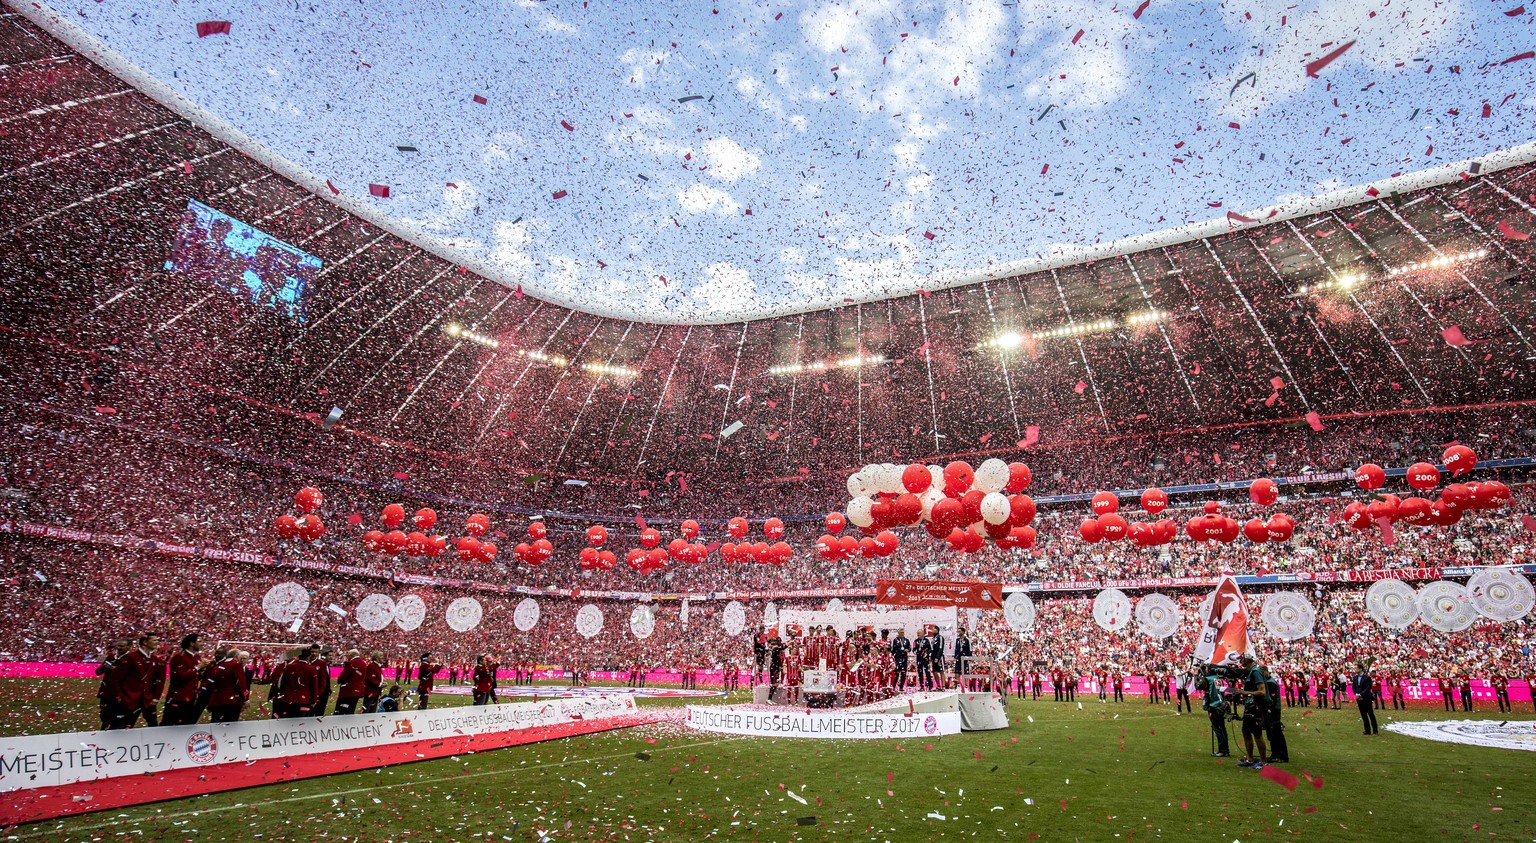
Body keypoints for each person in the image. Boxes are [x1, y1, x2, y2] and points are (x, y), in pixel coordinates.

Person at [105, 634, 159, 729]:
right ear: (145, 642)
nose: (157, 642)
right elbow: (115, 678)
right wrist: (119, 696)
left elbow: (156, 680)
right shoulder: (131, 657)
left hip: (146, 699)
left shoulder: (154, 659)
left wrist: (154, 696)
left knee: (153, 725)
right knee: (121, 726)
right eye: (154, 640)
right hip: (129, 699)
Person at [1235, 655, 1269, 769]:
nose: (1241, 661)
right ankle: (1250, 759)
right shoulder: (1251, 672)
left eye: (1243, 659)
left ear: (1248, 660)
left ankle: (1264, 762)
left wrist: (1244, 692)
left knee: (1257, 733)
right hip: (1250, 705)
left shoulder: (1255, 672)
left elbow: (1262, 691)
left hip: (1256, 706)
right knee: (1245, 731)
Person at [163, 634, 203, 726]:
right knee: (169, 724)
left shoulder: (197, 657)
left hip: (191, 697)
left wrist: (203, 671)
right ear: (192, 643)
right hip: (178, 698)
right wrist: (198, 667)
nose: (202, 643)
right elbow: (181, 676)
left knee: (186, 724)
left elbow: (197, 676)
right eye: (199, 641)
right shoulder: (179, 657)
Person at [203, 650, 249, 723]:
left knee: (216, 724)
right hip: (231, 701)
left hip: (216, 701)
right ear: (236, 656)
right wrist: (245, 698)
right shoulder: (236, 665)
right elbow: (241, 684)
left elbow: (210, 683)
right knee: (230, 726)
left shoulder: (218, 666)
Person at [1200, 664, 1230, 757]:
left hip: (1214, 705)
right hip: (1221, 704)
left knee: (1217, 728)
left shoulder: (1208, 679)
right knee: (1222, 728)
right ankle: (1226, 749)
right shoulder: (1218, 678)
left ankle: (1222, 750)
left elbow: (1207, 692)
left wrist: (1206, 705)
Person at [334, 649, 367, 714]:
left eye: (348, 655)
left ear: (351, 655)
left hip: (348, 691)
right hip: (358, 691)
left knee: (342, 709)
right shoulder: (363, 663)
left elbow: (344, 676)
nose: (347, 657)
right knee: (351, 709)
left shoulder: (351, 663)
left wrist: (339, 680)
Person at [1352, 660, 1379, 736]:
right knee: (1363, 715)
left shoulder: (1367, 678)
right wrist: (1356, 694)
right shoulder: (1355, 678)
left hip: (1366, 698)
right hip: (1359, 698)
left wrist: (1361, 694)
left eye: (1356, 668)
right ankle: (1367, 730)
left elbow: (1368, 688)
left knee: (1371, 714)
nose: (1355, 670)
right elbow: (1353, 687)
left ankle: (1375, 730)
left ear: (1360, 669)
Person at [311, 645, 333, 717]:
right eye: (312, 652)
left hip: (322, 693)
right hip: (312, 693)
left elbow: (325, 680)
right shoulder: (308, 662)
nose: (314, 653)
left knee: (319, 714)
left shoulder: (322, 664)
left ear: (318, 653)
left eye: (316, 652)